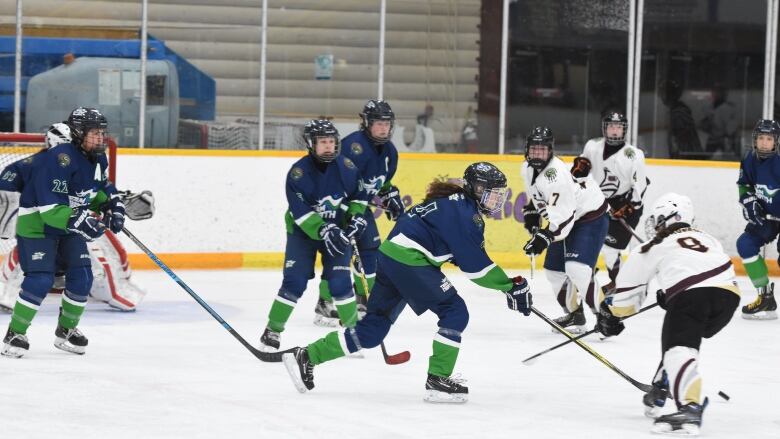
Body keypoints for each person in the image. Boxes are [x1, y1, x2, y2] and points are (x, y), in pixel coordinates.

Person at [282, 163, 533, 404]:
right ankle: (438, 379)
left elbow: (433, 237)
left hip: (392, 256)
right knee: (455, 312)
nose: (495, 200)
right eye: (488, 193)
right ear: (473, 188)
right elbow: (478, 269)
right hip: (409, 260)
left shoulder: (454, 203)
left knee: (372, 332)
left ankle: (307, 355)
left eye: (498, 195)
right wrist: (511, 286)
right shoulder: (466, 215)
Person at [597, 193, 739, 436]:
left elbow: (627, 299)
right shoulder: (707, 238)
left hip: (693, 297)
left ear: (667, 218)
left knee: (678, 348)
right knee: (683, 338)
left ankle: (690, 407)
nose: (655, 225)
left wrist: (610, 315)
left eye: (658, 220)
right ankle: (663, 384)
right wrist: (671, 293)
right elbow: (698, 267)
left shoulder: (652, 246)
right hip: (729, 296)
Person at [2, 107, 125, 358]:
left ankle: (67, 331)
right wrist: (80, 220)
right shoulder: (57, 158)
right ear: (79, 133)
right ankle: (15, 332)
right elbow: (49, 209)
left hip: (68, 225)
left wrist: (110, 205)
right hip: (37, 225)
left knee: (82, 277)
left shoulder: (98, 158)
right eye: (94, 133)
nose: (100, 138)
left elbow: (93, 191)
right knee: (40, 280)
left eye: (102, 133)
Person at [0, 123, 153, 314]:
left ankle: (113, 286)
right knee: (30, 244)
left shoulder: (83, 163)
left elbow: (97, 189)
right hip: (47, 222)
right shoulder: (37, 165)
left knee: (104, 242)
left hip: (72, 222)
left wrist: (114, 201)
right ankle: (8, 289)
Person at [258, 119, 370, 352]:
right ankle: (273, 330)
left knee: (340, 284)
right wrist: (323, 229)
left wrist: (357, 217)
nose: (328, 146)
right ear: (311, 144)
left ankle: (352, 334)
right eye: (323, 142)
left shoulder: (347, 168)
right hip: (303, 234)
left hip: (337, 234)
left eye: (331, 142)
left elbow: (358, 197)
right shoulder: (298, 174)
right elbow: (300, 212)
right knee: (294, 283)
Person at [313, 99, 403, 326]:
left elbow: (380, 181)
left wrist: (389, 194)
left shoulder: (390, 152)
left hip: (360, 209)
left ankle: (364, 301)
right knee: (339, 256)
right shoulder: (353, 146)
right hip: (340, 208)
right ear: (366, 123)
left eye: (386, 123)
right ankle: (325, 302)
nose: (383, 128)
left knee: (371, 250)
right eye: (378, 123)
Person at [521, 126, 609, 334]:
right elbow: (538, 196)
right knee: (553, 271)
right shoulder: (527, 168)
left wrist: (545, 237)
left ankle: (607, 317)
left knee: (577, 269)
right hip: (566, 218)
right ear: (527, 150)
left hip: (589, 217)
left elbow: (565, 219)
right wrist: (532, 212)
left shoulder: (556, 176)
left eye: (542, 150)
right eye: (534, 149)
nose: (537, 154)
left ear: (550, 151)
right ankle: (575, 315)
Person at [574, 111, 649, 292]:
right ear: (605, 128)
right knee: (587, 239)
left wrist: (628, 207)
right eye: (611, 126)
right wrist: (579, 170)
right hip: (599, 203)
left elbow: (641, 187)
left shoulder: (634, 155)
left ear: (624, 130)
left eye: (618, 127)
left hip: (625, 205)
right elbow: (581, 173)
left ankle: (618, 283)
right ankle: (586, 274)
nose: (614, 130)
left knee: (610, 249)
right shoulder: (592, 147)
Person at [735, 119, 780, 320]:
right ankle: (765, 297)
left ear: (776, 141)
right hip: (767, 218)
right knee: (745, 245)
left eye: (768, 138)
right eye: (761, 138)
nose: (764, 143)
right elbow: (744, 185)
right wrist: (749, 201)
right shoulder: (749, 159)